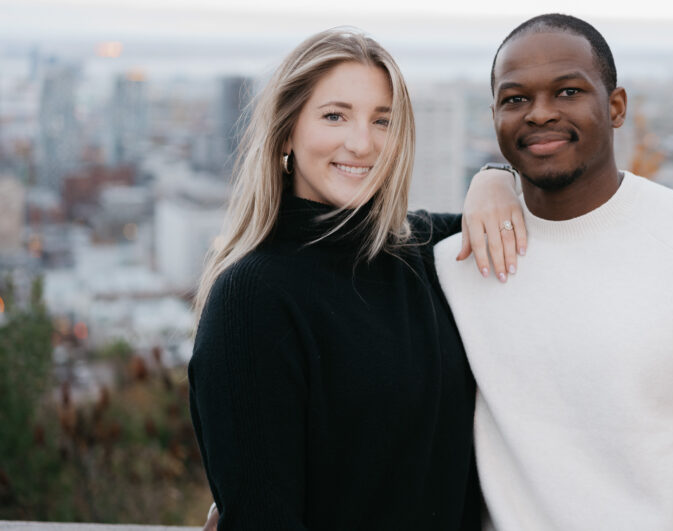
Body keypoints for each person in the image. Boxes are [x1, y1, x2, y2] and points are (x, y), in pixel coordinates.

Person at [434, 14, 673, 530]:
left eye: (567, 92)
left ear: (615, 107)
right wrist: (491, 176)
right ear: (494, 115)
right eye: (515, 99)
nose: (539, 113)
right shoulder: (456, 265)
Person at [188, 28, 526, 530]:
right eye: (334, 116)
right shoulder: (251, 298)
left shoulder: (425, 250)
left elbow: (544, 226)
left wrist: (497, 177)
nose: (362, 143)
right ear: (286, 133)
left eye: (382, 121)